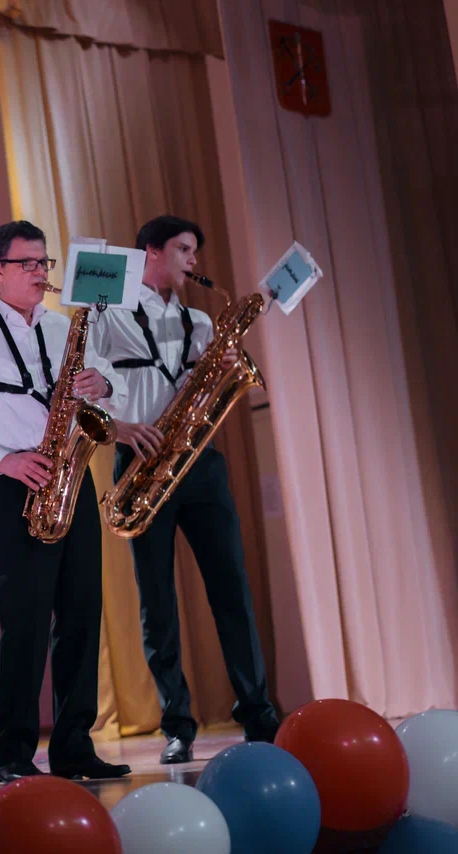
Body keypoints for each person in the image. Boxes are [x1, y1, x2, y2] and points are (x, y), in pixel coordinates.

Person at [0, 220, 131, 782]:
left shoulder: (67, 328)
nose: (41, 273)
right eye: (28, 264)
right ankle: (13, 755)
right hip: (13, 482)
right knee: (25, 623)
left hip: (72, 476)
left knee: (82, 616)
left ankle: (74, 748)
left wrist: (104, 387)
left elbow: (112, 394)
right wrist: (5, 460)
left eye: (45, 263)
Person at [92, 214, 279, 763]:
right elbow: (81, 386)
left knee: (232, 591)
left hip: (199, 463)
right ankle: (177, 723)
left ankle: (258, 713)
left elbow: (205, 386)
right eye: (183, 249)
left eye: (194, 251)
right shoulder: (110, 316)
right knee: (157, 603)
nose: (193, 261)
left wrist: (223, 363)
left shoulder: (199, 321)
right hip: (141, 461)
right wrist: (120, 428)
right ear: (150, 252)